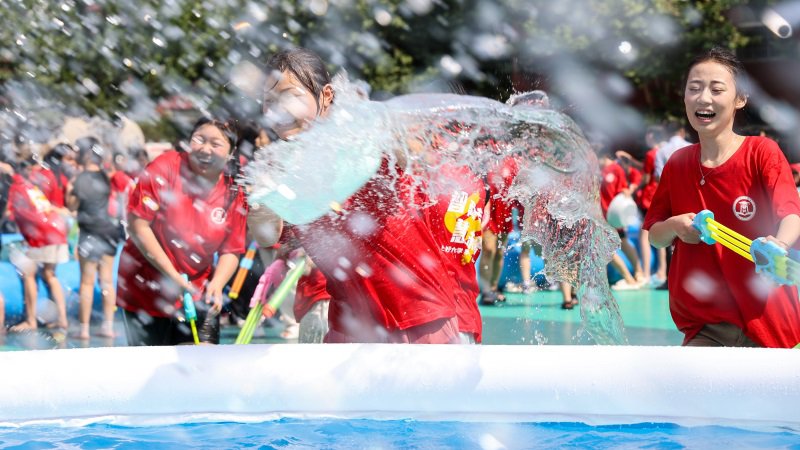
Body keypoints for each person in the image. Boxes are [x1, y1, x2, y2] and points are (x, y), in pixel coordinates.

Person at [249, 47, 461, 343]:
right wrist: (260, 199)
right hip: (349, 325)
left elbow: (410, 154)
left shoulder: (358, 141)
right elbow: (265, 236)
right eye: (269, 101)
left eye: (290, 96)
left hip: (416, 318)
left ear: (326, 96)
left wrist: (379, 128)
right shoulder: (283, 168)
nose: (279, 111)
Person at [645, 46, 800, 348]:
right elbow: (655, 236)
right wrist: (675, 227)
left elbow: (791, 214)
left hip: (768, 323)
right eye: (694, 88)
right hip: (706, 327)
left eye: (717, 89)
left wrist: (778, 246)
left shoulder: (761, 152)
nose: (704, 98)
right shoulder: (677, 164)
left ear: (740, 98)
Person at [116, 118, 247, 345]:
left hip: (198, 293)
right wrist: (172, 275)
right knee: (152, 363)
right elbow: (138, 227)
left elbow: (232, 249)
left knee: (203, 360)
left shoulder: (233, 191)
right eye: (199, 139)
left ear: (231, 153)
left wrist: (217, 283)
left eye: (215, 144)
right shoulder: (165, 167)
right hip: (146, 290)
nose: (205, 149)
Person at [66, 137, 124, 339]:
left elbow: (72, 206)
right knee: (106, 281)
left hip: (89, 233)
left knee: (87, 282)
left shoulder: (80, 179)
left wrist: (69, 191)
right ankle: (108, 327)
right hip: (108, 231)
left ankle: (83, 329)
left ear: (86, 154)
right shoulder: (104, 176)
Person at [7, 157, 70, 332]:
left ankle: (31, 321)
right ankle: (62, 318)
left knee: (28, 274)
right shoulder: (32, 187)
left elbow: (11, 214)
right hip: (56, 232)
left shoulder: (17, 187)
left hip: (42, 236)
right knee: (50, 275)